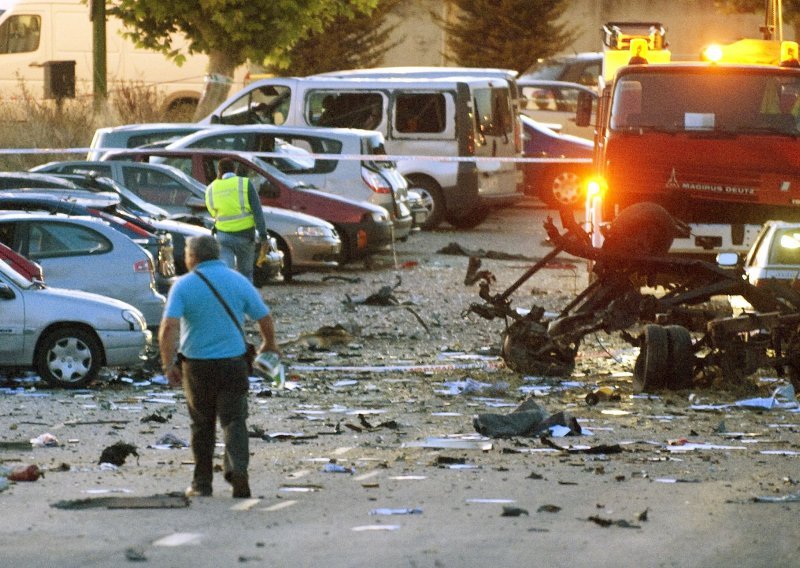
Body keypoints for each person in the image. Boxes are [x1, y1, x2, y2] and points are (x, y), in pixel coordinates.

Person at [159, 235, 279, 499]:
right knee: (235, 421)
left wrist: (168, 364)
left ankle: (202, 483)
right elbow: (264, 316)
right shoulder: (238, 281)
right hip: (234, 364)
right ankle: (238, 472)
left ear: (192, 257)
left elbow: (169, 327)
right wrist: (269, 344)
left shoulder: (183, 285)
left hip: (197, 367)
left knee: (202, 424)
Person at [205, 158, 268, 283]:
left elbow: (213, 213)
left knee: (227, 273)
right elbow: (257, 212)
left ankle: (228, 300)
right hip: (245, 237)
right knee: (246, 273)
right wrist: (263, 236)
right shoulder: (245, 184)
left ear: (219, 171)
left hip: (223, 237)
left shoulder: (211, 188)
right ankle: (245, 300)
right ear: (235, 170)